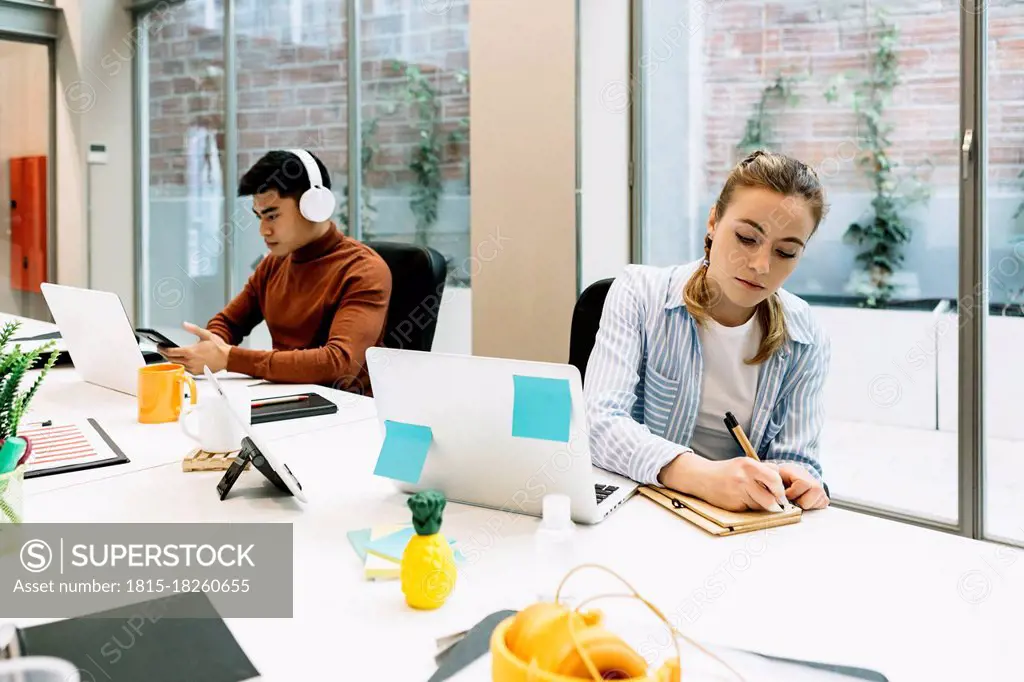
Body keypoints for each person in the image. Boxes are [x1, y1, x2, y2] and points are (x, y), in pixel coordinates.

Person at [585, 150, 831, 512]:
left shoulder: (805, 335)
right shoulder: (640, 293)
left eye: (786, 252)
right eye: (747, 238)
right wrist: (704, 477)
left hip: (740, 524)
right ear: (713, 222)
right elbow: (598, 424)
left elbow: (797, 457)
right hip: (642, 509)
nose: (761, 265)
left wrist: (798, 479)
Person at [161, 149, 392, 394]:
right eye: (259, 217)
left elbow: (338, 363)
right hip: (286, 397)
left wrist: (229, 358)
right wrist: (213, 343)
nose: (263, 230)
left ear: (314, 206)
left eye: (272, 216)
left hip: (344, 413)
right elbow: (229, 322)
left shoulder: (364, 270)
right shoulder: (274, 264)